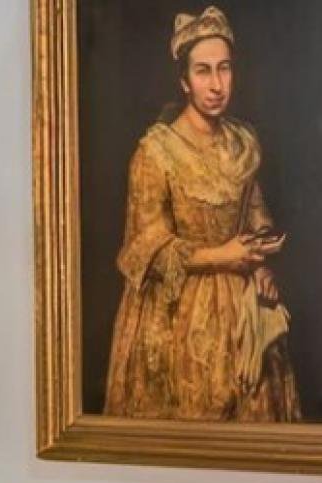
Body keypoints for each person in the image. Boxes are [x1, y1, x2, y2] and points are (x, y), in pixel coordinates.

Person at [104, 6, 300, 422]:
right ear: (184, 81)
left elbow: (256, 218)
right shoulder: (156, 152)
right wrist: (223, 256)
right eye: (203, 71)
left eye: (224, 69)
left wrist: (261, 267)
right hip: (177, 315)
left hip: (242, 309)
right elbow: (146, 249)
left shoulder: (242, 142)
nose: (216, 85)